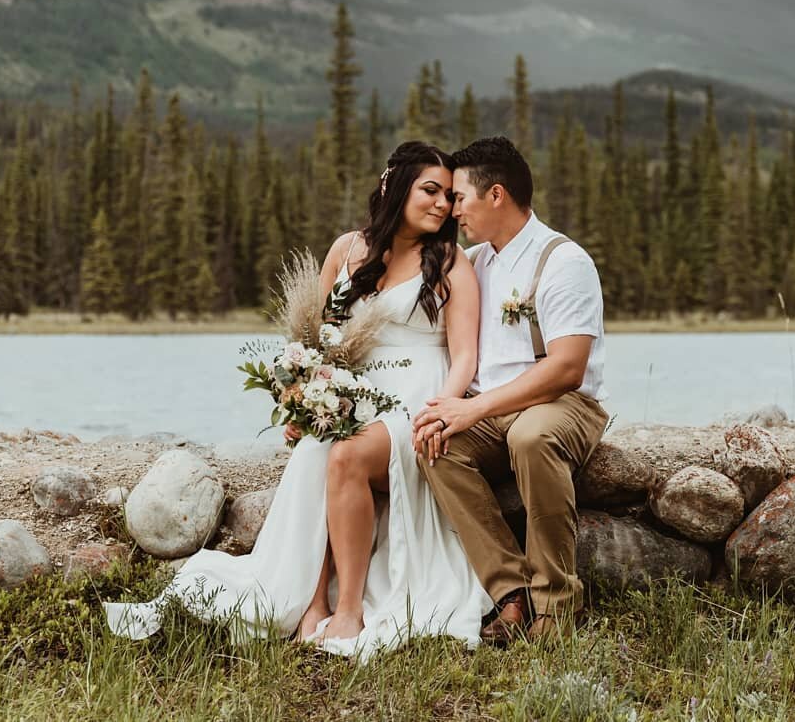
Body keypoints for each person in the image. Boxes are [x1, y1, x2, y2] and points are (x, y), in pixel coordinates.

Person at [105, 142, 492, 658]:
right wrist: (304, 403)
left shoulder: (449, 262)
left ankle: (350, 606)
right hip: (354, 395)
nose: (443, 204)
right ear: (394, 185)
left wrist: (441, 410)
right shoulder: (348, 250)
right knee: (316, 451)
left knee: (348, 454)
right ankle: (311, 602)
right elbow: (320, 342)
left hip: (417, 401)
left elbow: (464, 356)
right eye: (430, 191)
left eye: (448, 195)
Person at [413, 136, 609, 644]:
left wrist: (473, 407)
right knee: (436, 446)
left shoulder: (564, 261)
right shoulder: (474, 264)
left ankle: (557, 605)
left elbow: (567, 368)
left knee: (531, 437)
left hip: (562, 404)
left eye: (460, 198)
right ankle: (510, 594)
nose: (453, 211)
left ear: (495, 195)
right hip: (494, 408)